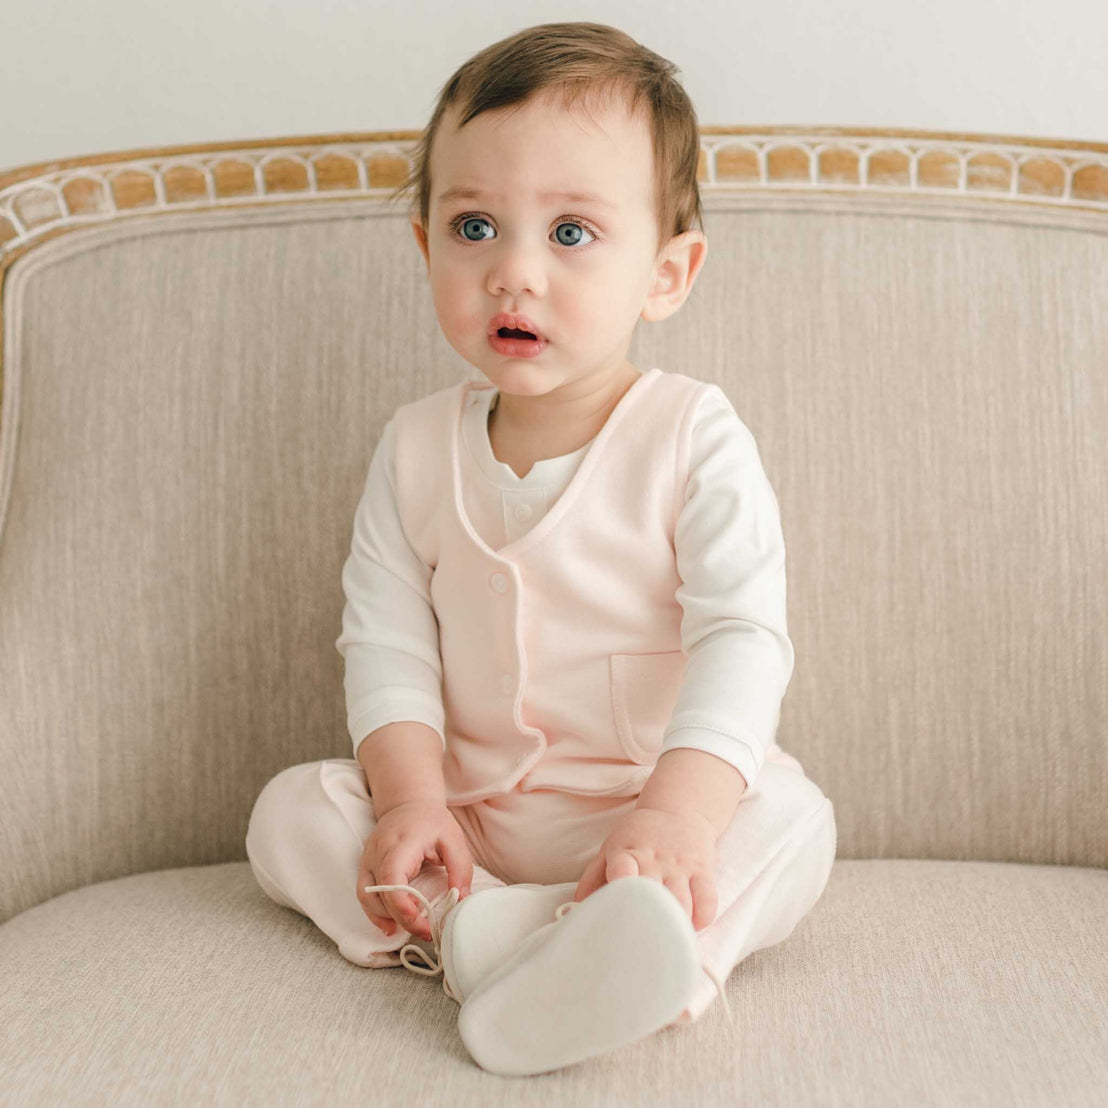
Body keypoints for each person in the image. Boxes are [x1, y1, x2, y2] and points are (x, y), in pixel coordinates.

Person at [246, 20, 837, 1076]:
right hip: (468, 823)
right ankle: (487, 937)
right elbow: (383, 643)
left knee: (794, 817)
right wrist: (412, 801)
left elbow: (743, 636)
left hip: (644, 824)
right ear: (426, 243)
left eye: (570, 235)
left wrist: (677, 818)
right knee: (290, 812)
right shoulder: (416, 446)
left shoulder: (691, 434)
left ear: (666, 272)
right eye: (474, 227)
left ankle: (647, 947)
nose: (513, 272)